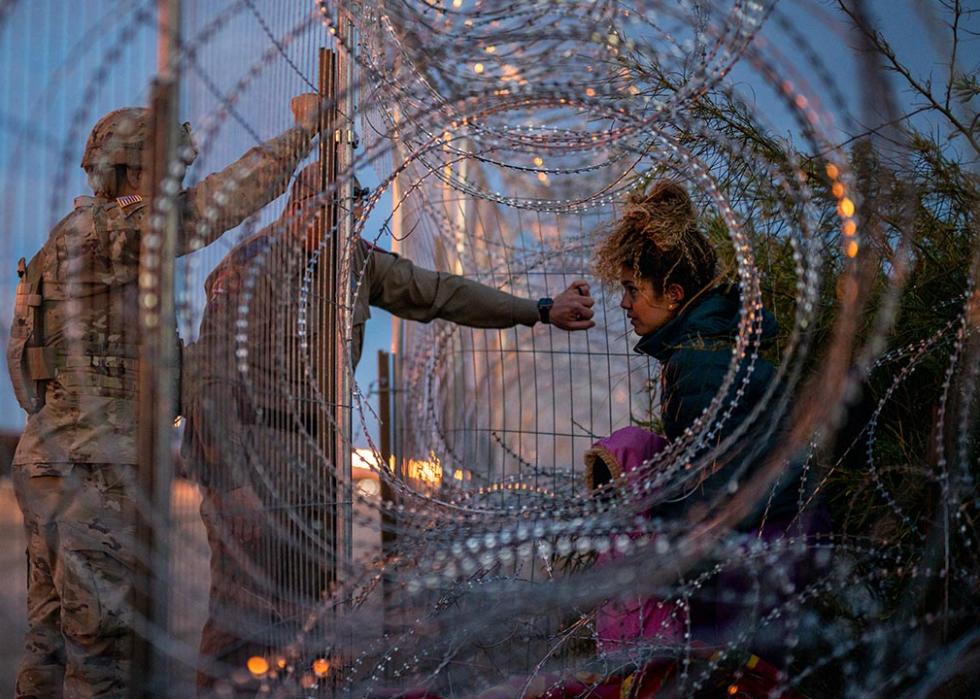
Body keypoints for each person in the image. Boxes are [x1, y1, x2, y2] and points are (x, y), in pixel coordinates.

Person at [183, 162, 598, 695]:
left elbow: (441, 293)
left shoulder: (352, 262)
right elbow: (209, 386)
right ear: (302, 210)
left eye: (356, 219)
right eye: (337, 220)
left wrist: (538, 310)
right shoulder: (251, 268)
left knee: (306, 618)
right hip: (253, 452)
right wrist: (231, 482)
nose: (349, 232)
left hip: (315, 457)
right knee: (243, 616)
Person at [5, 94, 322, 699]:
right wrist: (301, 135)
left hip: (61, 457)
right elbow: (206, 211)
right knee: (106, 656)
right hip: (94, 469)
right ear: (127, 169)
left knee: (50, 647)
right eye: (164, 167)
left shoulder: (72, 241)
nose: (176, 180)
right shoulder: (101, 234)